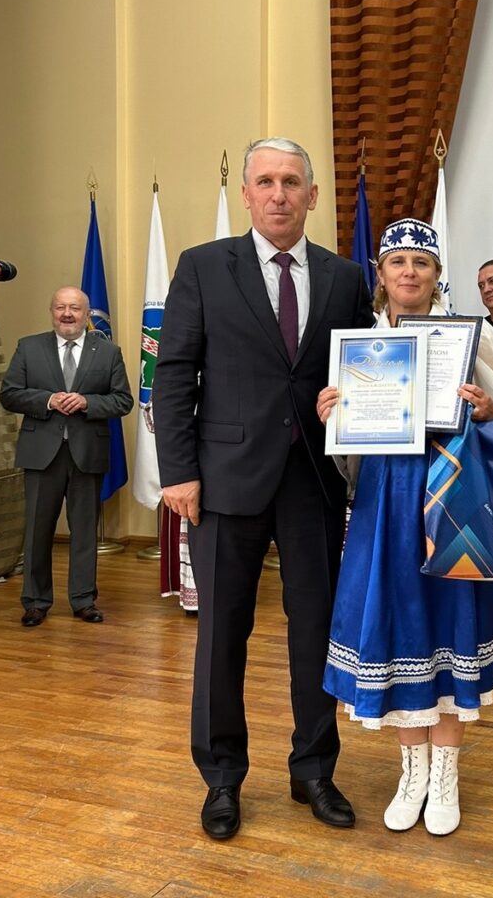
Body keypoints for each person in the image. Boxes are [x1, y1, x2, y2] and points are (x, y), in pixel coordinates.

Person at [152, 137, 374, 841]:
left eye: (292, 182)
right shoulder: (202, 266)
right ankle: (221, 777)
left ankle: (314, 769)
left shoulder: (345, 278)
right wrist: (178, 472)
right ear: (246, 194)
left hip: (313, 482)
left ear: (312, 195)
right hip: (223, 482)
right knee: (222, 634)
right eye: (267, 182)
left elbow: (364, 372)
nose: (279, 194)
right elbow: (173, 374)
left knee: (316, 633)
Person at [318, 218, 493, 837]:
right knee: (397, 632)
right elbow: (350, 458)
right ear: (381, 274)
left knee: (449, 629)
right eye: (398, 262)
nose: (409, 272)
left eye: (421, 262)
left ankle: (445, 776)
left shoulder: (471, 336)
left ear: (437, 274)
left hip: (451, 502)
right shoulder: (360, 344)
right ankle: (411, 773)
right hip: (385, 507)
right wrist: (334, 418)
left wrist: (488, 410)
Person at [0, 286, 133, 627]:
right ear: (52, 312)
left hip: (87, 453)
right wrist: (47, 400)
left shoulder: (108, 352)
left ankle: (83, 600)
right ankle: (35, 602)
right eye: (60, 307)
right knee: (37, 531)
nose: (67, 314)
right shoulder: (29, 347)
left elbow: (123, 400)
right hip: (41, 453)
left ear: (87, 315)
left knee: (85, 531)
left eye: (74, 308)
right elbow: (9, 394)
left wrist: (88, 402)